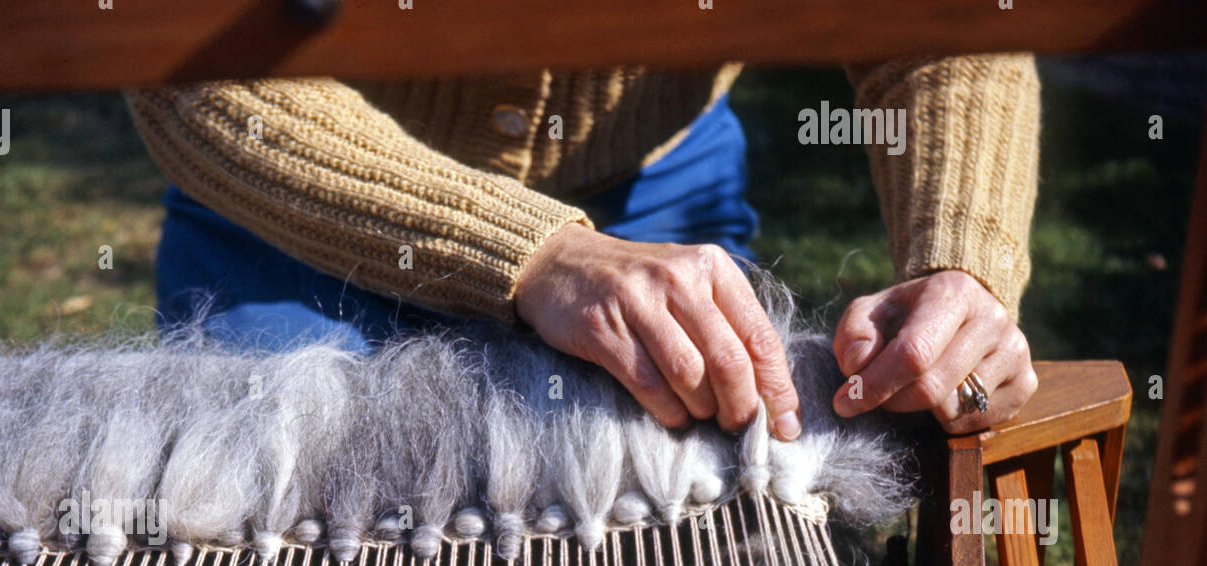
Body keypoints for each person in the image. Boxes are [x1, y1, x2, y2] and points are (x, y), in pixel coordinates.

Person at [126, 55, 1040, 438]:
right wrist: (532, 254)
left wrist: (960, 255)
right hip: (300, 199)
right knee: (281, 530)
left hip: (652, 184)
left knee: (697, 532)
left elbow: (943, 31)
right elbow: (197, 62)